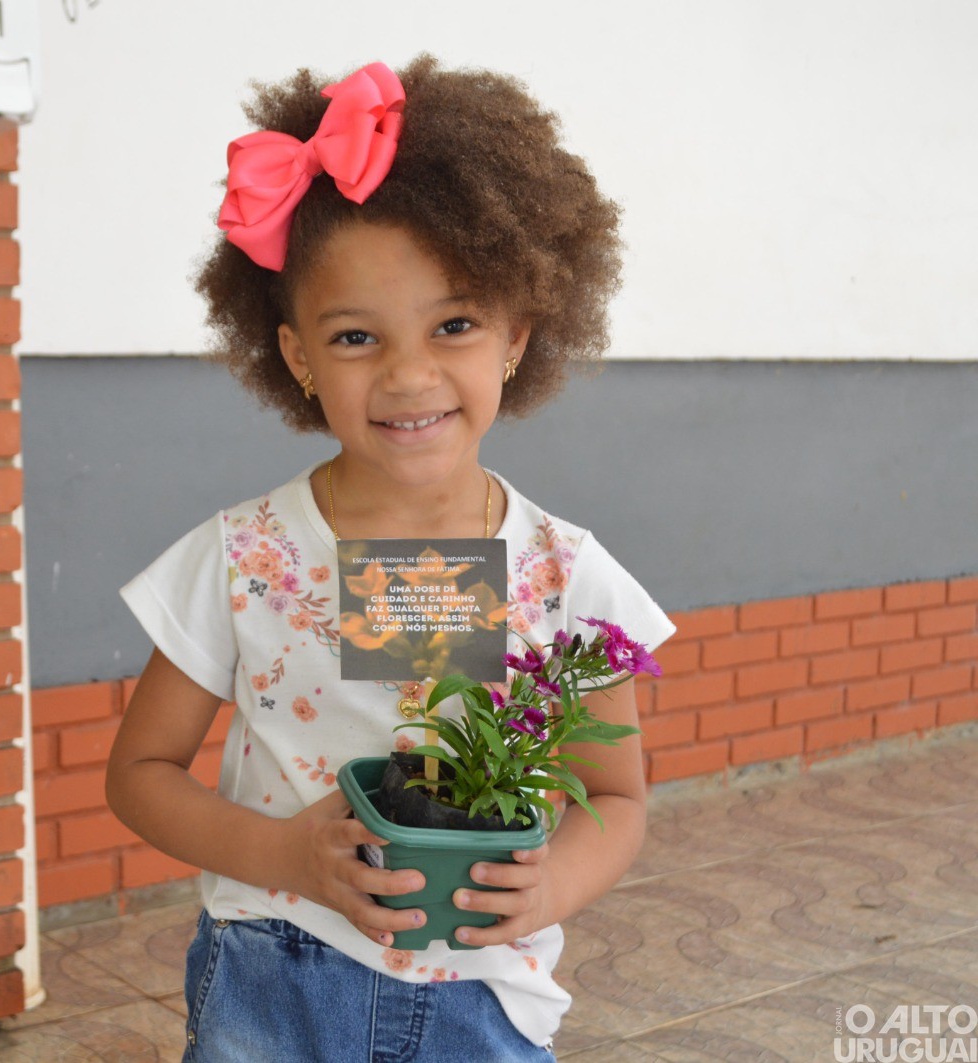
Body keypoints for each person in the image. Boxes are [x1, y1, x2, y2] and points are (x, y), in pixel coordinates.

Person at [107, 55, 677, 1062]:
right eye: (357, 336)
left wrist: (550, 883)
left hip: (480, 1000)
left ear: (515, 336)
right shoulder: (244, 557)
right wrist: (283, 852)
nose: (410, 375)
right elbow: (141, 772)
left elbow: (618, 796)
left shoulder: (565, 574)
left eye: (453, 325)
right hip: (266, 985)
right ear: (296, 359)